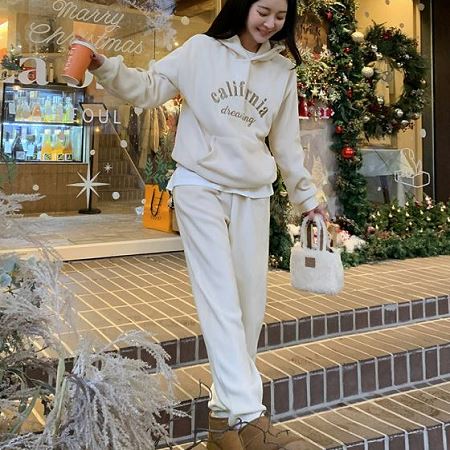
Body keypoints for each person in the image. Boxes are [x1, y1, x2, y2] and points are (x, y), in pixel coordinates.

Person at [85, 0, 326, 448]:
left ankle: (220, 422)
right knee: (219, 298)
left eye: (280, 16)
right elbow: (148, 88)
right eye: (264, 11)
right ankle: (252, 420)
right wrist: (105, 66)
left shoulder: (282, 72)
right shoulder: (199, 50)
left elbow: (288, 146)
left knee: (249, 308)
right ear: (243, 6)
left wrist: (309, 201)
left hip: (253, 192)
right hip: (198, 186)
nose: (271, 22)